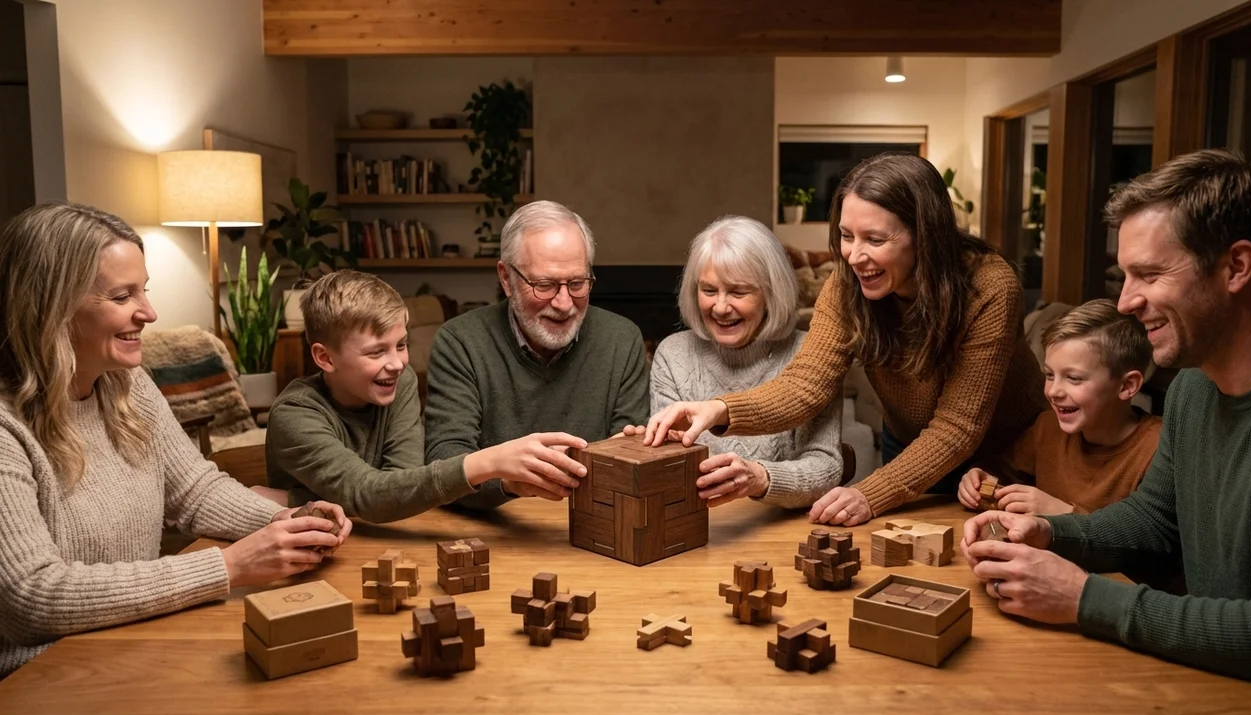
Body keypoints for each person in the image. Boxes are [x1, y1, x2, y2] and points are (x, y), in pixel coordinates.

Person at [962, 150, 1251, 695]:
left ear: (1237, 266)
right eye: (1126, 274)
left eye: (1150, 274)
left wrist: (1082, 598)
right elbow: (1155, 523)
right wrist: (1050, 532)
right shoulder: (1193, 390)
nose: (1127, 301)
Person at [0, 203, 353, 678]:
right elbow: (33, 596)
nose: (149, 312)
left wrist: (289, 520)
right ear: (52, 306)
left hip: (137, 640)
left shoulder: (128, 384)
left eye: (143, 291)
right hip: (45, 674)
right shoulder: (7, 429)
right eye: (122, 296)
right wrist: (227, 566)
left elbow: (195, 490)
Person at [645, 153, 1045, 526]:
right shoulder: (848, 283)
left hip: (1007, 454)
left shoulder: (990, 287)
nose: (853, 256)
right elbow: (805, 385)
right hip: (908, 442)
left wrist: (868, 495)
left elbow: (957, 429)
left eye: (874, 239)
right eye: (846, 235)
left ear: (926, 235)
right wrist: (719, 410)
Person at [266, 270, 590, 522]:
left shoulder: (398, 381)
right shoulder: (294, 415)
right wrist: (489, 461)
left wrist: (296, 500)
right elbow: (373, 495)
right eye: (376, 352)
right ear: (325, 358)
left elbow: (398, 484)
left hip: (382, 536)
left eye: (402, 344)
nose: (396, 364)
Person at [425, 201, 650, 509]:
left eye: (577, 283)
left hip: (596, 524)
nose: (562, 303)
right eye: (544, 285)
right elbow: (444, 462)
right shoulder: (459, 342)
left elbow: (629, 456)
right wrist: (508, 482)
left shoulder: (622, 340)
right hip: (494, 531)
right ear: (506, 278)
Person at [646, 215, 842, 508]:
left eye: (739, 291)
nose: (721, 307)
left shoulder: (812, 354)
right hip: (697, 526)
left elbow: (826, 468)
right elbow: (667, 472)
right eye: (709, 290)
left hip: (778, 530)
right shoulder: (673, 355)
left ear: (771, 293)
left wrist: (759, 477)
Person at [958, 299, 1162, 515]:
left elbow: (1156, 539)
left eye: (1073, 378)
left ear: (1127, 385)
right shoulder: (1047, 428)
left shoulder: (1158, 448)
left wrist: (1064, 513)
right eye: (1049, 374)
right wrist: (978, 479)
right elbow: (1001, 471)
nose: (1054, 391)